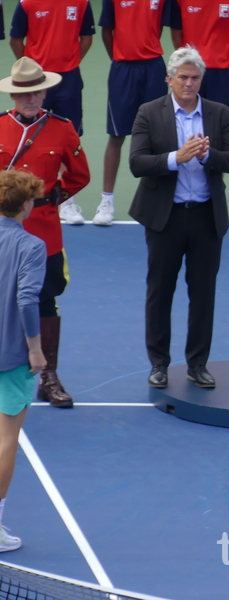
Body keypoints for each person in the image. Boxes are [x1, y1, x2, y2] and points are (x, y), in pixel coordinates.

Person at [129, 47, 229, 389]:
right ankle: (159, 364)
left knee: (203, 294)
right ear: (170, 79)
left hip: (206, 218)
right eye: (183, 78)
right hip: (166, 219)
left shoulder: (219, 114)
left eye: (195, 78)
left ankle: (197, 364)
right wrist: (176, 158)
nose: (189, 83)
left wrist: (209, 156)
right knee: (160, 293)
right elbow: (137, 163)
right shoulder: (149, 112)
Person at [0, 57, 91, 408]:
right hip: (5, 229)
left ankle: (48, 376)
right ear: (14, 97)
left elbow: (79, 175)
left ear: (44, 92)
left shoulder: (62, 128)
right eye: (24, 94)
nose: (31, 99)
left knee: (44, 300)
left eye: (36, 92)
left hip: (43, 230)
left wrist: (53, 200)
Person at [9, 0, 95, 225]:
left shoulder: (82, 3)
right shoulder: (26, 4)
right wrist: (30, 68)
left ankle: (66, 203)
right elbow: (16, 40)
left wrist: (71, 61)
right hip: (36, 81)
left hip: (69, 79)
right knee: (28, 134)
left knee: (66, 136)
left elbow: (86, 37)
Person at [90, 0, 172, 226]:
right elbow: (107, 31)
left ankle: (155, 201)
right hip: (123, 69)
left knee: (158, 136)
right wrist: (120, 58)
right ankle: (106, 202)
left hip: (154, 68)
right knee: (116, 135)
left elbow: (161, 27)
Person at [0, 169, 47, 552]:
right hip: (11, 357)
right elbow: (27, 300)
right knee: (5, 439)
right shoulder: (31, 247)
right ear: (26, 204)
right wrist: (35, 349)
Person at [170, 0, 229, 108]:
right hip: (191, 71)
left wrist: (220, 57)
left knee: (219, 119)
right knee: (185, 117)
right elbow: (177, 38)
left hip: (219, 72)